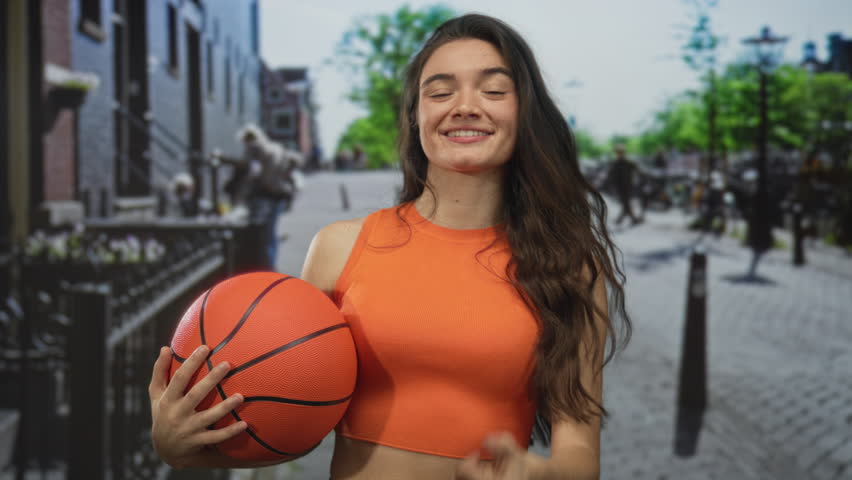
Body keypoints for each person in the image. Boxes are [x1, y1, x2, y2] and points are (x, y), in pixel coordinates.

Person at [148, 14, 631, 479]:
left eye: (494, 89)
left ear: (524, 113)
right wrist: (187, 449)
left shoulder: (569, 267)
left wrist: (539, 476)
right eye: (440, 91)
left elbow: (580, 458)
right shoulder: (340, 247)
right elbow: (290, 424)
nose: (464, 105)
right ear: (417, 117)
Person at [212, 124, 303, 270]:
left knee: (264, 234)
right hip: (279, 193)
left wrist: (223, 159)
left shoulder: (257, 149)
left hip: (268, 194)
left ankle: (267, 268)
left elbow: (251, 169)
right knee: (270, 233)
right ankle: (270, 265)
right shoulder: (274, 148)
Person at [606, 144, 640, 226]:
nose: (619, 153)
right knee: (625, 202)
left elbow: (638, 170)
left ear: (624, 152)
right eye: (618, 152)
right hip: (619, 186)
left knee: (625, 202)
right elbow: (611, 175)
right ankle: (629, 219)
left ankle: (623, 219)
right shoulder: (615, 163)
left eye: (621, 152)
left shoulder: (628, 162)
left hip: (628, 186)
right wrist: (611, 185)